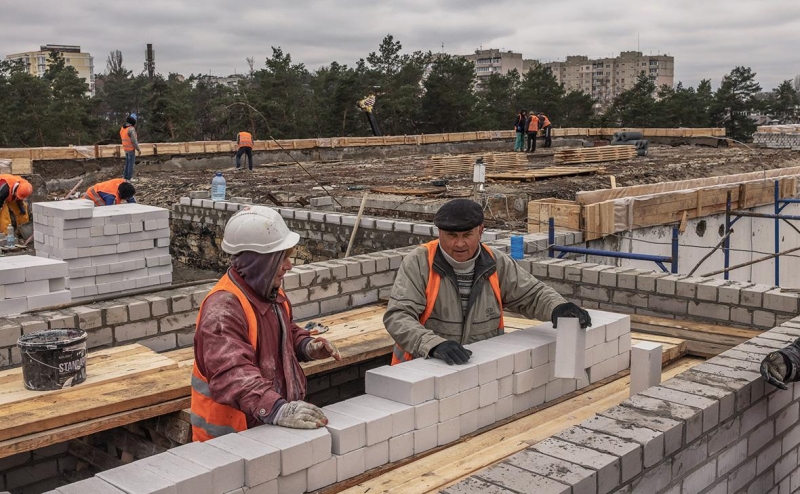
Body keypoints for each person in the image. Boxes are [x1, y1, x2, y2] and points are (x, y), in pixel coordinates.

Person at [191, 206, 341, 441]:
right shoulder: (223, 309)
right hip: (231, 439)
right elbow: (233, 373)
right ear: (259, 262)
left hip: (266, 424)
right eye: (281, 258)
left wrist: (305, 346)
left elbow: (284, 332)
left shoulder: (269, 292)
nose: (289, 266)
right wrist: (276, 408)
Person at [385, 199, 592, 365]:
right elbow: (398, 316)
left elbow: (532, 294)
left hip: (477, 369)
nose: (459, 243)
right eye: (451, 235)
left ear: (480, 231)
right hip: (423, 367)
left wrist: (557, 307)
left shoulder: (495, 262)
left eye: (467, 235)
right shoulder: (420, 262)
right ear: (439, 233)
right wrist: (434, 345)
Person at [120, 114, 141, 181]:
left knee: (127, 163)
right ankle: (129, 178)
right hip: (131, 149)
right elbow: (134, 141)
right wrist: (138, 149)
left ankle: (125, 176)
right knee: (131, 164)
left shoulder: (123, 128)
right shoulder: (131, 129)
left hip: (125, 148)